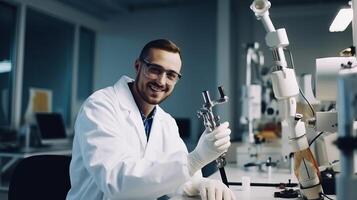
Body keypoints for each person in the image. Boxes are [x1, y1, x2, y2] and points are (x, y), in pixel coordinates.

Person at [66, 39, 235, 200]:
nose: (161, 81)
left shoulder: (166, 122)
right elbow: (114, 182)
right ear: (138, 66)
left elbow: (172, 177)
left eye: (171, 75)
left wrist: (200, 183)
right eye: (155, 69)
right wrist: (196, 159)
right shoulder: (100, 106)